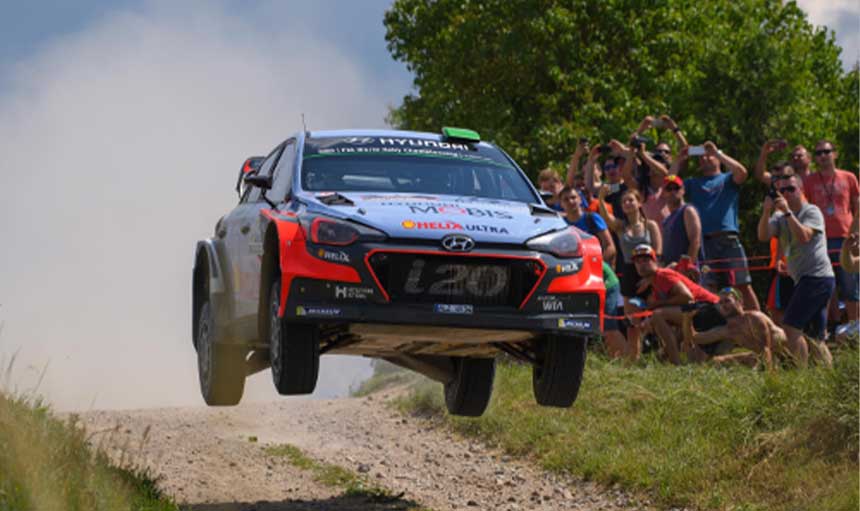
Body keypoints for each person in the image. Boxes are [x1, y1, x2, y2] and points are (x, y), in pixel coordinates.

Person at [757, 174, 834, 368]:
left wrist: (787, 213)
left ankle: (801, 376)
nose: (786, 194)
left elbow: (804, 237)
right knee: (815, 337)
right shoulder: (779, 215)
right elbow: (763, 236)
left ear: (801, 190)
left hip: (817, 277)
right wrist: (766, 211)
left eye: (791, 189)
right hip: (805, 279)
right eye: (781, 191)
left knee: (791, 326)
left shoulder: (811, 211)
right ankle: (828, 377)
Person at [673, 141, 760, 311]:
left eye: (709, 155)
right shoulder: (693, 183)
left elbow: (742, 172)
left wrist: (718, 153)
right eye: (701, 156)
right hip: (705, 245)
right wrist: (678, 160)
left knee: (742, 284)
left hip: (728, 239)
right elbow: (669, 185)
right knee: (709, 286)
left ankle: (759, 323)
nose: (705, 158)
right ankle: (716, 325)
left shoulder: (727, 179)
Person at [629, 244, 724, 365]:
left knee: (658, 315)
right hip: (704, 312)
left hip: (711, 308)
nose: (642, 264)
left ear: (655, 261)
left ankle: (676, 363)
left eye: (646, 260)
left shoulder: (662, 275)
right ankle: (669, 357)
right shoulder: (655, 283)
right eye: (637, 262)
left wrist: (657, 305)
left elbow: (687, 297)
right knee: (700, 362)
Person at [599, 189, 662, 360]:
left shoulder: (650, 225)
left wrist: (650, 278)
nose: (627, 204)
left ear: (639, 202)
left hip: (650, 273)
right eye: (624, 202)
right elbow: (606, 218)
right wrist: (601, 198)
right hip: (629, 273)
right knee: (632, 321)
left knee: (655, 314)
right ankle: (634, 357)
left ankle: (662, 351)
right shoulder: (621, 227)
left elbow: (659, 251)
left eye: (631, 200)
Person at [803, 140, 859, 323]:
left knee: (850, 284)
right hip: (820, 239)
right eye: (818, 153)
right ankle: (831, 327)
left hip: (846, 237)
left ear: (834, 153)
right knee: (827, 285)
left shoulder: (848, 177)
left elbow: (857, 207)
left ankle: (854, 327)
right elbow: (805, 210)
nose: (823, 156)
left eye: (826, 151)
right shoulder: (809, 180)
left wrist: (857, 232)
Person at [681, 288, 789, 370]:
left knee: (759, 357)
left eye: (727, 301)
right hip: (769, 358)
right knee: (715, 362)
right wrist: (687, 319)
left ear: (739, 302)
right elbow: (695, 338)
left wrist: (769, 380)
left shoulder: (754, 318)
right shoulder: (727, 330)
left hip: (789, 353)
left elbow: (766, 349)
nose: (723, 305)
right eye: (721, 302)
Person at [559, 185, 616, 264]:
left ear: (580, 199)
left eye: (573, 197)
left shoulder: (593, 218)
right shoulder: (561, 225)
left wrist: (599, 264)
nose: (570, 201)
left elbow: (610, 246)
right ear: (561, 204)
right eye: (566, 199)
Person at [660, 174, 703, 279]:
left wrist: (686, 267)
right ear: (663, 193)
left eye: (676, 188)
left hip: (687, 272)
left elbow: (695, 241)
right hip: (672, 271)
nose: (673, 191)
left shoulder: (687, 210)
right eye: (668, 189)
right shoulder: (666, 220)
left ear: (683, 190)